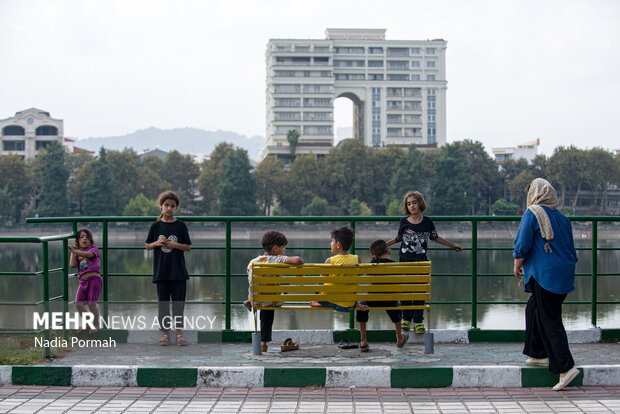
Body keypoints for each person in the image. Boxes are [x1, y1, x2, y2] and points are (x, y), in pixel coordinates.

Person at [513, 178, 580, 391]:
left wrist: (517, 264)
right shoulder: (562, 217)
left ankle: (565, 367)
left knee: (549, 319)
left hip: (545, 273)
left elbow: (523, 243)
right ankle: (538, 353)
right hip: (564, 271)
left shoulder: (531, 213)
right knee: (535, 308)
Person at [387, 191, 462, 333]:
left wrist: (453, 245)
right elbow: (398, 238)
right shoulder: (403, 222)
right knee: (406, 292)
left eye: (414, 203)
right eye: (409, 204)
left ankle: (418, 321)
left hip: (421, 262)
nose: (412, 206)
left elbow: (436, 237)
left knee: (420, 292)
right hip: (404, 262)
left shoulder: (428, 222)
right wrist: (384, 245)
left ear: (420, 203)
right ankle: (406, 319)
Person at [146, 191, 191, 346]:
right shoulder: (155, 226)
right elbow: (148, 246)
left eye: (172, 206)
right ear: (161, 206)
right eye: (166, 205)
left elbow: (187, 247)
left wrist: (175, 245)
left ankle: (179, 333)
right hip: (161, 272)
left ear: (176, 207)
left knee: (179, 304)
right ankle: (165, 333)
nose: (169, 208)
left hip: (178, 272)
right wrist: (157, 243)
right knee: (163, 304)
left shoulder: (181, 225)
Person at [245, 230, 303, 352]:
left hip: (257, 300)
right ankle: (263, 341)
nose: (285, 250)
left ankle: (263, 343)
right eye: (283, 247)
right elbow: (298, 260)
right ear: (275, 248)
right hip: (274, 300)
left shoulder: (252, 263)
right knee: (277, 291)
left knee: (263, 296)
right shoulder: (277, 260)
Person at [356, 239, 409, 352]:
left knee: (361, 306)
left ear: (373, 255)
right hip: (391, 300)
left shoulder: (371, 266)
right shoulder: (397, 266)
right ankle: (399, 337)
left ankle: (363, 340)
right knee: (395, 305)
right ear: (389, 252)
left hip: (372, 300)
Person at [310, 226, 368, 312]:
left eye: (332, 241)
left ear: (338, 245)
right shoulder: (357, 259)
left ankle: (317, 301)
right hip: (349, 304)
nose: (330, 243)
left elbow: (320, 282)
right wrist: (355, 303)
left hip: (331, 301)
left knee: (322, 283)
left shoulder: (330, 261)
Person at [69, 228, 102, 334]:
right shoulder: (77, 253)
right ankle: (87, 322)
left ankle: (96, 324)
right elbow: (73, 265)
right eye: (82, 237)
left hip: (94, 280)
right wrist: (72, 252)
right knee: (78, 304)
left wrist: (75, 251)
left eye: (87, 237)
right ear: (78, 240)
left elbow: (88, 255)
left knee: (92, 304)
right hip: (83, 282)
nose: (85, 239)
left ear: (90, 241)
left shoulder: (93, 249)